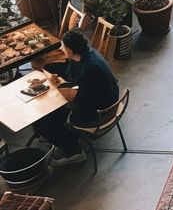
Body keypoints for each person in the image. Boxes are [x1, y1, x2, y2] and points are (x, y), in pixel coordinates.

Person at [32, 28, 120, 166]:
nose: (61, 49)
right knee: (51, 113)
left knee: (44, 122)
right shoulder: (83, 55)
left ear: (70, 51)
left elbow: (86, 101)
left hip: (102, 110)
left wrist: (63, 100)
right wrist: (58, 80)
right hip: (99, 97)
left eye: (63, 46)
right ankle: (62, 136)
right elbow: (73, 75)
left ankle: (74, 151)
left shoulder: (91, 68)